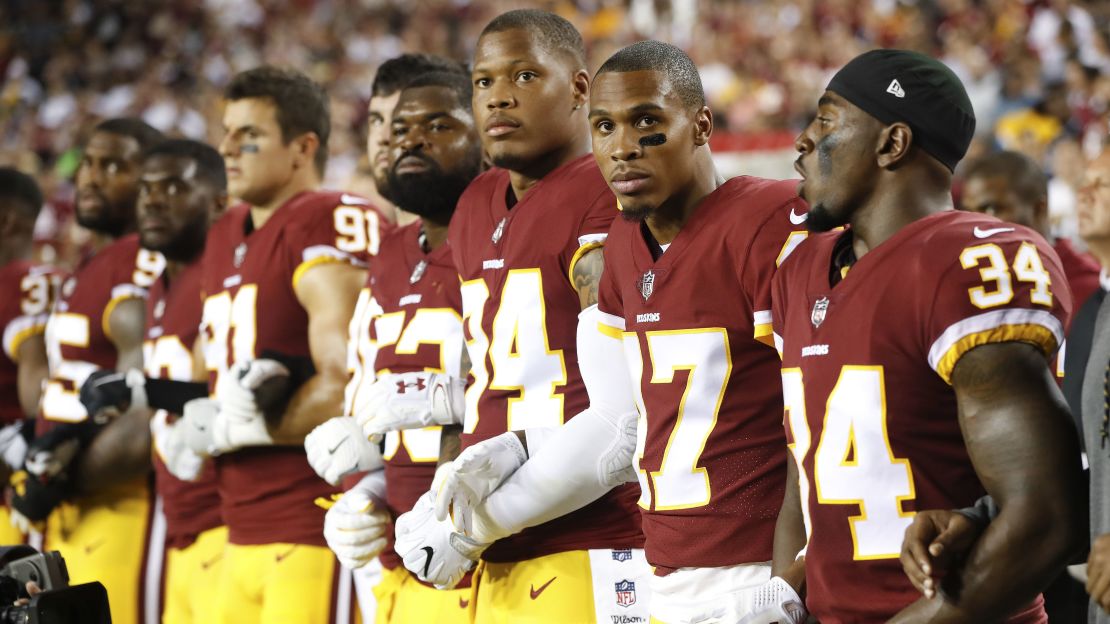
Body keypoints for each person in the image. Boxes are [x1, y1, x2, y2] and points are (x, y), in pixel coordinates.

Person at [427, 40, 811, 623]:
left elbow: (815, 419)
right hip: (665, 572)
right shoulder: (626, 244)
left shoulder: (774, 219)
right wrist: (521, 446)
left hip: (754, 565)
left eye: (646, 122)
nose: (622, 146)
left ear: (701, 124)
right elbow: (618, 419)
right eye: (604, 127)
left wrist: (789, 581)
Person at [769, 49, 1084, 623]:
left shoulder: (970, 260)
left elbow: (1044, 519)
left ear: (892, 144)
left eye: (826, 120)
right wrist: (781, 600)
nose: (803, 142)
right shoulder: (801, 269)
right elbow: (804, 465)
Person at [386, 10, 647, 623]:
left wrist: (474, 525)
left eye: (525, 75)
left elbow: (625, 415)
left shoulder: (607, 189)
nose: (499, 95)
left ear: (580, 89)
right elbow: (493, 370)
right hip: (497, 551)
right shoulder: (477, 200)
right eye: (483, 82)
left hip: (590, 536)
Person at [184, 66, 388, 623]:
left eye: (248, 134)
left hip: (314, 523)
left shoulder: (327, 218)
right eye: (225, 131)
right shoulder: (226, 233)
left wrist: (245, 426)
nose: (226, 148)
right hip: (237, 530)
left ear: (302, 148)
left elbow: (355, 382)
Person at [306, 68, 483, 623]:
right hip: (403, 562)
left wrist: (449, 398)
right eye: (395, 127)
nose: (407, 140)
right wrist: (371, 490)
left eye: (435, 125)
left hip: (491, 559)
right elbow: (393, 413)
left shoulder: (503, 234)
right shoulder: (390, 251)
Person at [903, 150, 1110, 622]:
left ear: (1038, 208)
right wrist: (982, 519)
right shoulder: (1101, 306)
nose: (1086, 192)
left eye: (995, 208)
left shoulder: (1073, 291)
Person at [13, 118, 166, 624]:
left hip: (120, 503)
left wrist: (59, 476)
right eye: (90, 163)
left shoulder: (138, 258)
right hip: (72, 508)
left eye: (115, 165)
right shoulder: (92, 262)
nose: (93, 177)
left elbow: (144, 398)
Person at [134, 139, 227, 624]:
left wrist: (138, 389)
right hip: (181, 525)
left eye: (174, 187)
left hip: (227, 521)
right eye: (146, 188)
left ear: (218, 201)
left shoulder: (226, 272)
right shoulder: (159, 286)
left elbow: (229, 395)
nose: (152, 199)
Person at [960, 150, 1100, 311]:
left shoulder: (1088, 287)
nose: (976, 224)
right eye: (969, 212)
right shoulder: (967, 283)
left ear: (1039, 209)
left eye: (992, 209)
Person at [0, 168, 59, 542]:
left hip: (14, 504)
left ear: (6, 221)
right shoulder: (49, 279)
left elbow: (40, 406)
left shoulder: (19, 285)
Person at [361, 54, 467, 227]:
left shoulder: (494, 241)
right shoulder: (379, 247)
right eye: (377, 120)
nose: (384, 138)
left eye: (402, 119)